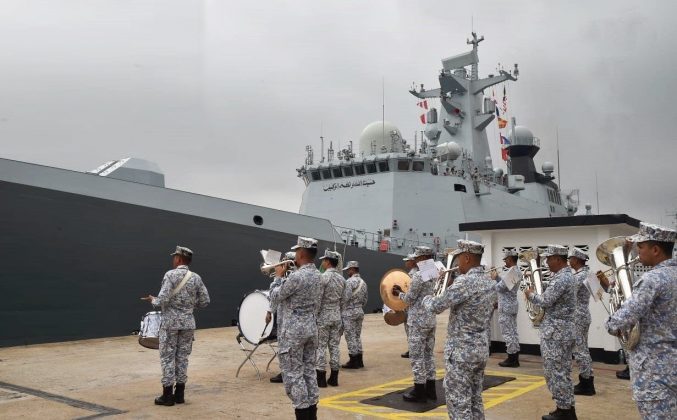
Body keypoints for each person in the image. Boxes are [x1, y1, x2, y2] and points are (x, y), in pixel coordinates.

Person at [605, 222, 676, 420]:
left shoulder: (652, 279)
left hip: (653, 370)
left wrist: (610, 323)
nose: (637, 250)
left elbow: (625, 316)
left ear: (655, 250)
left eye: (641, 246)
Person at [421, 240, 496, 418]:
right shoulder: (488, 281)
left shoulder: (465, 282)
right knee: (475, 398)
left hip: (462, 353)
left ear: (468, 258)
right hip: (480, 349)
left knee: (458, 402)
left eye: (459, 258)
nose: (456, 264)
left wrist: (426, 297)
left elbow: (436, 306)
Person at [142, 246, 210, 406]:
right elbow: (206, 301)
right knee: (182, 358)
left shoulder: (170, 275)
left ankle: (167, 396)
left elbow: (162, 299)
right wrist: (189, 307)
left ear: (179, 259)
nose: (173, 259)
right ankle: (179, 394)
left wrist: (153, 300)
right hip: (188, 324)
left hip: (170, 324)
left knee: (167, 357)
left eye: (174, 257)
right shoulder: (196, 278)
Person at [269, 236, 322, 420]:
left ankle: (302, 414)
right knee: (309, 372)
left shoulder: (297, 277)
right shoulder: (318, 275)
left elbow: (275, 297)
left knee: (293, 375)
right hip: (311, 328)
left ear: (300, 253)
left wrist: (277, 278)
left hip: (293, 332)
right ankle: (312, 414)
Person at [525, 245, 577, 420]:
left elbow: (546, 300)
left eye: (549, 259)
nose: (546, 262)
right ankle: (565, 407)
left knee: (556, 372)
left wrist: (531, 295)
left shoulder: (562, 278)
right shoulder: (565, 276)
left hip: (557, 333)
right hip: (560, 332)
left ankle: (565, 411)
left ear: (557, 259)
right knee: (561, 370)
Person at [392, 246, 436, 402]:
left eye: (417, 258)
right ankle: (431, 389)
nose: (415, 260)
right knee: (429, 355)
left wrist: (398, 293)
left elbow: (409, 299)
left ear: (423, 258)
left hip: (417, 321)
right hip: (430, 319)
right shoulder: (433, 273)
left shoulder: (418, 276)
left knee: (417, 356)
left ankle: (419, 390)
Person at [567, 247, 596, 396]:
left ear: (577, 260)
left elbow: (567, 293)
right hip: (584, 314)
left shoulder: (579, 277)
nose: (569, 261)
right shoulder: (588, 274)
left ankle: (586, 383)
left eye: (571, 258)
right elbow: (599, 293)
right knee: (583, 348)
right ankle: (587, 380)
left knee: (580, 350)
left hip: (578, 315)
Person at [315, 250, 346, 387]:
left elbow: (318, 299)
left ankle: (321, 378)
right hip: (336, 316)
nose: (322, 262)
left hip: (323, 316)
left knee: (321, 347)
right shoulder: (342, 280)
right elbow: (344, 301)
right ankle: (334, 377)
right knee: (334, 347)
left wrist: (315, 315)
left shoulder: (323, 278)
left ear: (328, 262)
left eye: (324, 260)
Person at [268, 251, 296, 384]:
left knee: (285, 347)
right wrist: (270, 311)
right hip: (287, 318)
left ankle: (285, 373)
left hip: (287, 319)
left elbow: (275, 296)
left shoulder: (289, 279)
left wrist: (277, 277)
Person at [493, 249, 522, 368]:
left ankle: (512, 359)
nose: (505, 262)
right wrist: (498, 277)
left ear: (510, 259)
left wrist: (494, 278)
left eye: (506, 259)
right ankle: (514, 357)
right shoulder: (515, 271)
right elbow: (505, 285)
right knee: (513, 332)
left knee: (508, 333)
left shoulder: (513, 272)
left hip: (506, 307)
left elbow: (500, 288)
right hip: (511, 305)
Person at [341, 261, 368, 369]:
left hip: (349, 312)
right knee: (357, 336)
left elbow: (345, 298)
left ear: (352, 269)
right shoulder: (363, 282)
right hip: (359, 311)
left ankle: (353, 360)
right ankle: (360, 360)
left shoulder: (349, 282)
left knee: (350, 336)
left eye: (348, 269)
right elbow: (365, 300)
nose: (347, 271)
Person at [401, 253, 417, 358]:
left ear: (413, 261)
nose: (406, 262)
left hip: (411, 307)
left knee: (410, 329)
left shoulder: (412, 275)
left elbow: (409, 295)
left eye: (408, 260)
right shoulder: (420, 273)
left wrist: (399, 294)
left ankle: (412, 350)